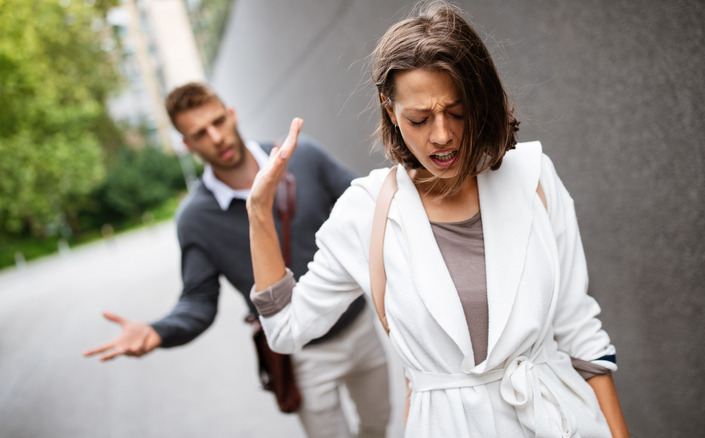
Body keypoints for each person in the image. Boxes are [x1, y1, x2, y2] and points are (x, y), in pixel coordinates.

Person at [246, 1, 630, 437]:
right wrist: (259, 213)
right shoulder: (366, 210)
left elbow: (579, 329)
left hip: (562, 421)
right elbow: (285, 330)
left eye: (456, 110)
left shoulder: (534, 176)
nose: (442, 134)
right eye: (420, 118)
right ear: (391, 111)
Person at [83, 83, 392, 438]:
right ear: (187, 144)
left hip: (359, 328)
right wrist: (158, 331)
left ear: (232, 114)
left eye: (218, 121)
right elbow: (198, 301)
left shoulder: (301, 156)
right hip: (301, 355)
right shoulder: (196, 218)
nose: (216, 137)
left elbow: (370, 210)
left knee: (377, 426)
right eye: (200, 133)